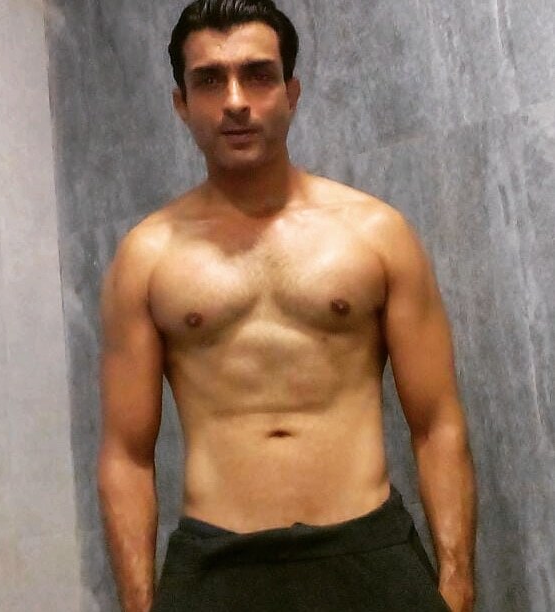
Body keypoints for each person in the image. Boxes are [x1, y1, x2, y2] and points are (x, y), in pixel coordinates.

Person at [97, 1, 477, 611]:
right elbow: (126, 455)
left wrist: (456, 585)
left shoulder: (375, 234)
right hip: (218, 566)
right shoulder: (147, 257)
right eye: (210, 80)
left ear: (291, 92)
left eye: (258, 75)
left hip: (368, 550)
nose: (236, 100)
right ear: (181, 104)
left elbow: (437, 424)